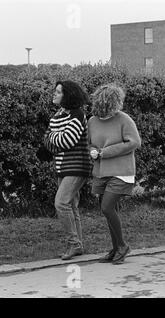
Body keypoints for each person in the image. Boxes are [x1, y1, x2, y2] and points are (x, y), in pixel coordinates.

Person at [88, 83, 141, 265]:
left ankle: (122, 246)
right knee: (109, 211)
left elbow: (134, 142)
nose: (117, 106)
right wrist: (93, 151)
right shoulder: (92, 121)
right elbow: (90, 144)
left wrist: (104, 152)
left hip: (121, 172)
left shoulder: (124, 119)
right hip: (101, 172)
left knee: (107, 207)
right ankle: (116, 248)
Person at [43, 80, 90, 261]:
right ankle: (78, 245)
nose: (54, 94)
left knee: (61, 203)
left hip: (77, 166)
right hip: (62, 166)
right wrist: (55, 137)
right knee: (70, 206)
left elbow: (66, 142)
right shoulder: (59, 115)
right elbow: (47, 142)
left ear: (67, 95)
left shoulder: (77, 115)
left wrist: (53, 136)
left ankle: (74, 243)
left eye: (58, 92)